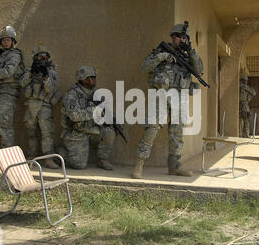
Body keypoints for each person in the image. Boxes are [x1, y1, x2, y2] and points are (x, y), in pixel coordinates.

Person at [132, 22, 204, 179]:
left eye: (184, 37)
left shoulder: (188, 56)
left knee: (177, 133)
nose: (181, 39)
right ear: (172, 37)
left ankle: (174, 166)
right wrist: (162, 57)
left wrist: (191, 51)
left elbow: (199, 70)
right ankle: (139, 164)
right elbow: (144, 68)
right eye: (178, 36)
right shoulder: (160, 51)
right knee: (152, 128)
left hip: (180, 97)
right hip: (161, 95)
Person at [59, 66, 115, 170]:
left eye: (94, 77)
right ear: (81, 79)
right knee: (79, 165)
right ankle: (62, 153)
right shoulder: (72, 94)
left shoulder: (96, 93)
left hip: (92, 128)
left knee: (109, 132)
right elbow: (74, 116)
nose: (92, 80)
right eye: (89, 77)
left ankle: (102, 159)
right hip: (76, 132)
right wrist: (95, 110)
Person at [0, 26, 25, 164]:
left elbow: (9, 72)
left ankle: (9, 160)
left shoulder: (15, 55)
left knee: (5, 125)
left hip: (8, 93)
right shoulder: (0, 56)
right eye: (3, 40)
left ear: (13, 41)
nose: (5, 42)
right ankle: (2, 156)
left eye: (8, 40)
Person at [20, 45, 61, 169]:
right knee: (31, 132)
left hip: (44, 106)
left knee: (47, 133)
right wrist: (31, 73)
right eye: (39, 56)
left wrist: (45, 76)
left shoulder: (52, 72)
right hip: (31, 105)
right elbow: (22, 83)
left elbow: (50, 90)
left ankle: (48, 159)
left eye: (45, 56)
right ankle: (32, 157)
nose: (42, 58)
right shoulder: (29, 71)